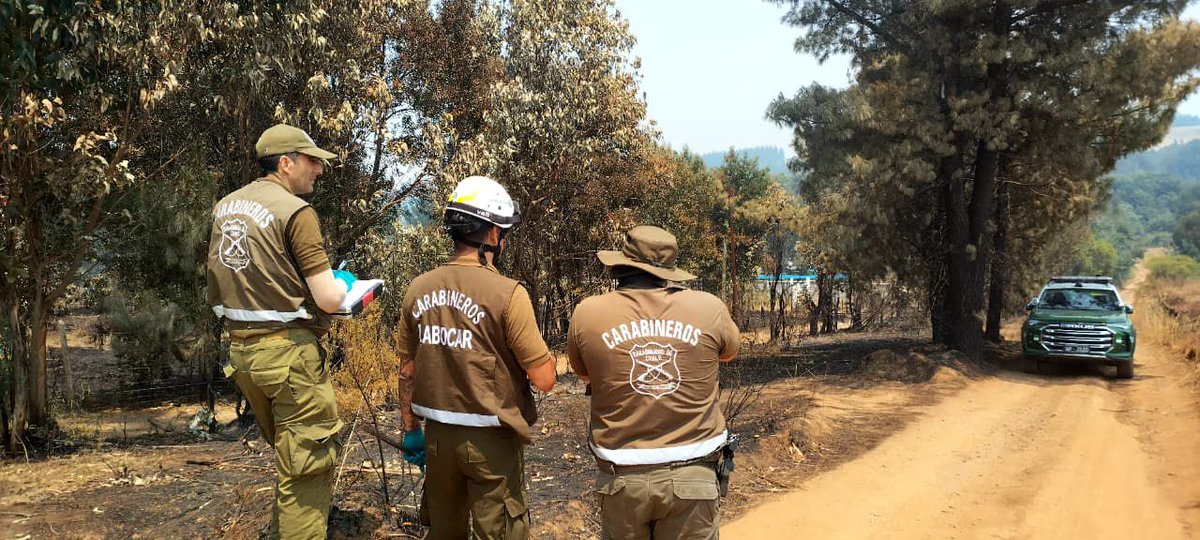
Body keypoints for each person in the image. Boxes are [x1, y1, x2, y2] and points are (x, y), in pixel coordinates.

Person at [207, 123, 356, 539]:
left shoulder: (225, 207)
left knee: (291, 461)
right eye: (311, 162)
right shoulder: (295, 212)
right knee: (308, 466)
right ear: (286, 163)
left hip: (243, 354)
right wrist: (348, 291)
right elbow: (327, 298)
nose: (319, 170)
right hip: (290, 357)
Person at [396, 175, 557, 539]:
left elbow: (408, 371)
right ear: (492, 235)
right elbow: (544, 379)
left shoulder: (418, 288)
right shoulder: (507, 294)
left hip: (437, 441)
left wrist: (410, 430)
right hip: (491, 444)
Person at [567, 225, 740, 540]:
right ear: (670, 271)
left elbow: (584, 373)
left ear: (623, 264)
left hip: (622, 482)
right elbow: (728, 353)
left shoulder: (588, 313)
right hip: (693, 475)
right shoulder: (709, 307)